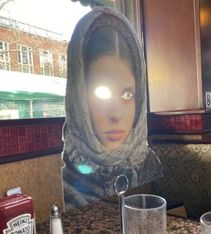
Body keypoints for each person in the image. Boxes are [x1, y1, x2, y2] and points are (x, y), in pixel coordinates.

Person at [62, 6, 162, 210]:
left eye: (128, 95)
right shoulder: (59, 185)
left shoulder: (149, 165)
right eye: (101, 93)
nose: (116, 115)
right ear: (78, 98)